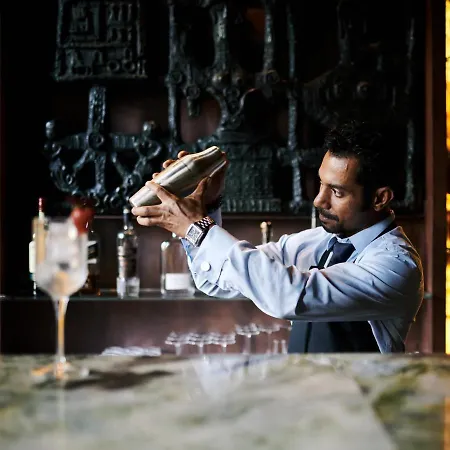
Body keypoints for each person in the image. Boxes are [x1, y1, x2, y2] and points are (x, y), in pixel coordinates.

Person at [131, 120, 424, 353]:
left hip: (361, 406)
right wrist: (206, 205)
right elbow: (217, 281)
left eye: (336, 191)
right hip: (304, 400)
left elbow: (289, 296)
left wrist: (197, 227)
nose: (318, 200)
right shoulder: (316, 242)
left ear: (380, 198)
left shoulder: (396, 265)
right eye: (321, 184)